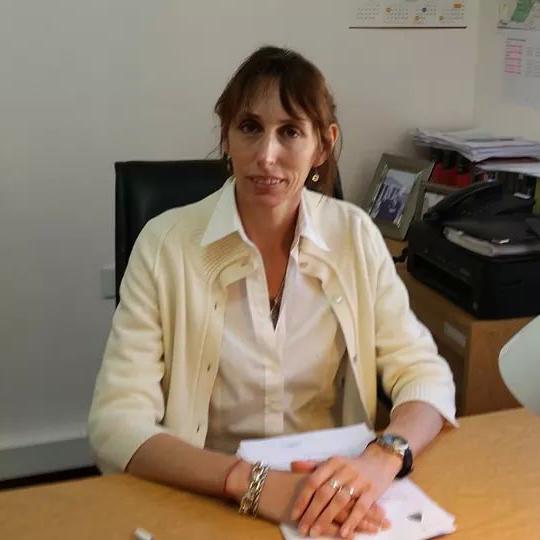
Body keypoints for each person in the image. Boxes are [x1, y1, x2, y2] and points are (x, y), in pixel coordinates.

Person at [88, 46, 456, 539]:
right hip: (206, 492)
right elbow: (115, 423)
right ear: (226, 136)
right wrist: (254, 484)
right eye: (250, 127)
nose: (266, 155)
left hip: (329, 494)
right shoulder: (164, 245)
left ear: (323, 146)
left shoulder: (355, 236)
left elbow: (424, 374)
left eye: (290, 132)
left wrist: (382, 457)